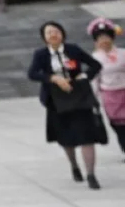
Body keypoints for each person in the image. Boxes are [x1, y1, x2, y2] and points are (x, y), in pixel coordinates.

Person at [28, 21, 104, 188]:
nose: (53, 34)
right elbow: (32, 74)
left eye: (56, 31)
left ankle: (91, 175)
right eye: (49, 33)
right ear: (44, 38)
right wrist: (53, 78)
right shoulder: (41, 54)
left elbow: (96, 65)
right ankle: (74, 166)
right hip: (56, 100)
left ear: (62, 34)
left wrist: (83, 77)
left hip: (79, 97)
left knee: (87, 136)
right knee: (67, 138)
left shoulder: (73, 50)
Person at [89, 17, 125, 157]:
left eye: (106, 37)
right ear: (96, 41)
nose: (104, 41)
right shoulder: (95, 58)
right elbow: (94, 79)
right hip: (110, 95)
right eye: (100, 38)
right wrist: (94, 98)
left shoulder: (123, 53)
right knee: (118, 125)